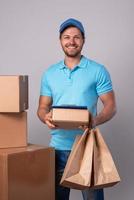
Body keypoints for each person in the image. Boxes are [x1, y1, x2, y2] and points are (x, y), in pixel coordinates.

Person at [37, 18, 116, 200]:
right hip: (57, 150)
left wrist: (93, 120)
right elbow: (42, 107)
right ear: (60, 40)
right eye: (66, 37)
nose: (71, 41)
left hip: (87, 148)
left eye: (76, 37)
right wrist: (45, 117)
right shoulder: (50, 73)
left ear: (83, 40)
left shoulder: (97, 70)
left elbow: (111, 106)